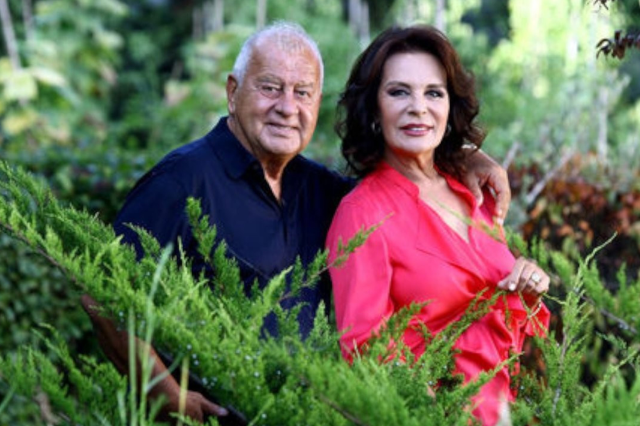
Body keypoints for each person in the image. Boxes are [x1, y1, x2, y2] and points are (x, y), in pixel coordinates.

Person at [82, 21, 513, 425]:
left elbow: (399, 189)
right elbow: (100, 293)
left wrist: (464, 158)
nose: (287, 107)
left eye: (303, 92)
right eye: (270, 88)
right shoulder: (182, 181)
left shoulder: (321, 190)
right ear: (233, 92)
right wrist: (167, 396)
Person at [325, 25, 550, 426]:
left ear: (450, 107)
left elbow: (494, 314)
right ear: (373, 108)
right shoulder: (361, 213)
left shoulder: (472, 192)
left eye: (433, 93)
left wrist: (528, 280)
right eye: (399, 92)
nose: (418, 107)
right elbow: (364, 352)